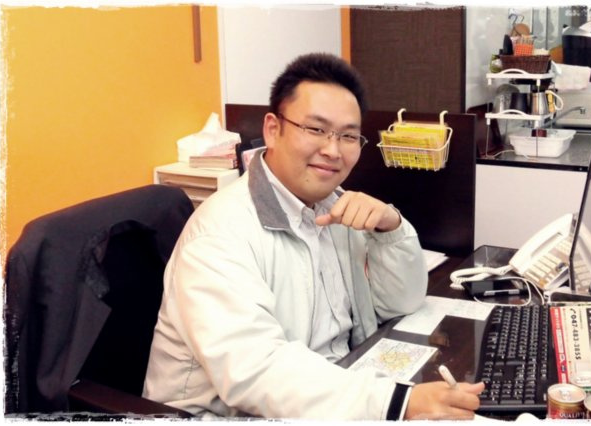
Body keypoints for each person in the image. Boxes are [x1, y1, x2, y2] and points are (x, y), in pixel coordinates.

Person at [143, 52, 484, 420]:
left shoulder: (332, 206)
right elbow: (256, 371)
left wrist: (391, 227)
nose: (332, 150)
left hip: (331, 389)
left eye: (348, 136)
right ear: (273, 130)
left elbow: (402, 303)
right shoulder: (219, 235)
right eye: (316, 129)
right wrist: (395, 402)